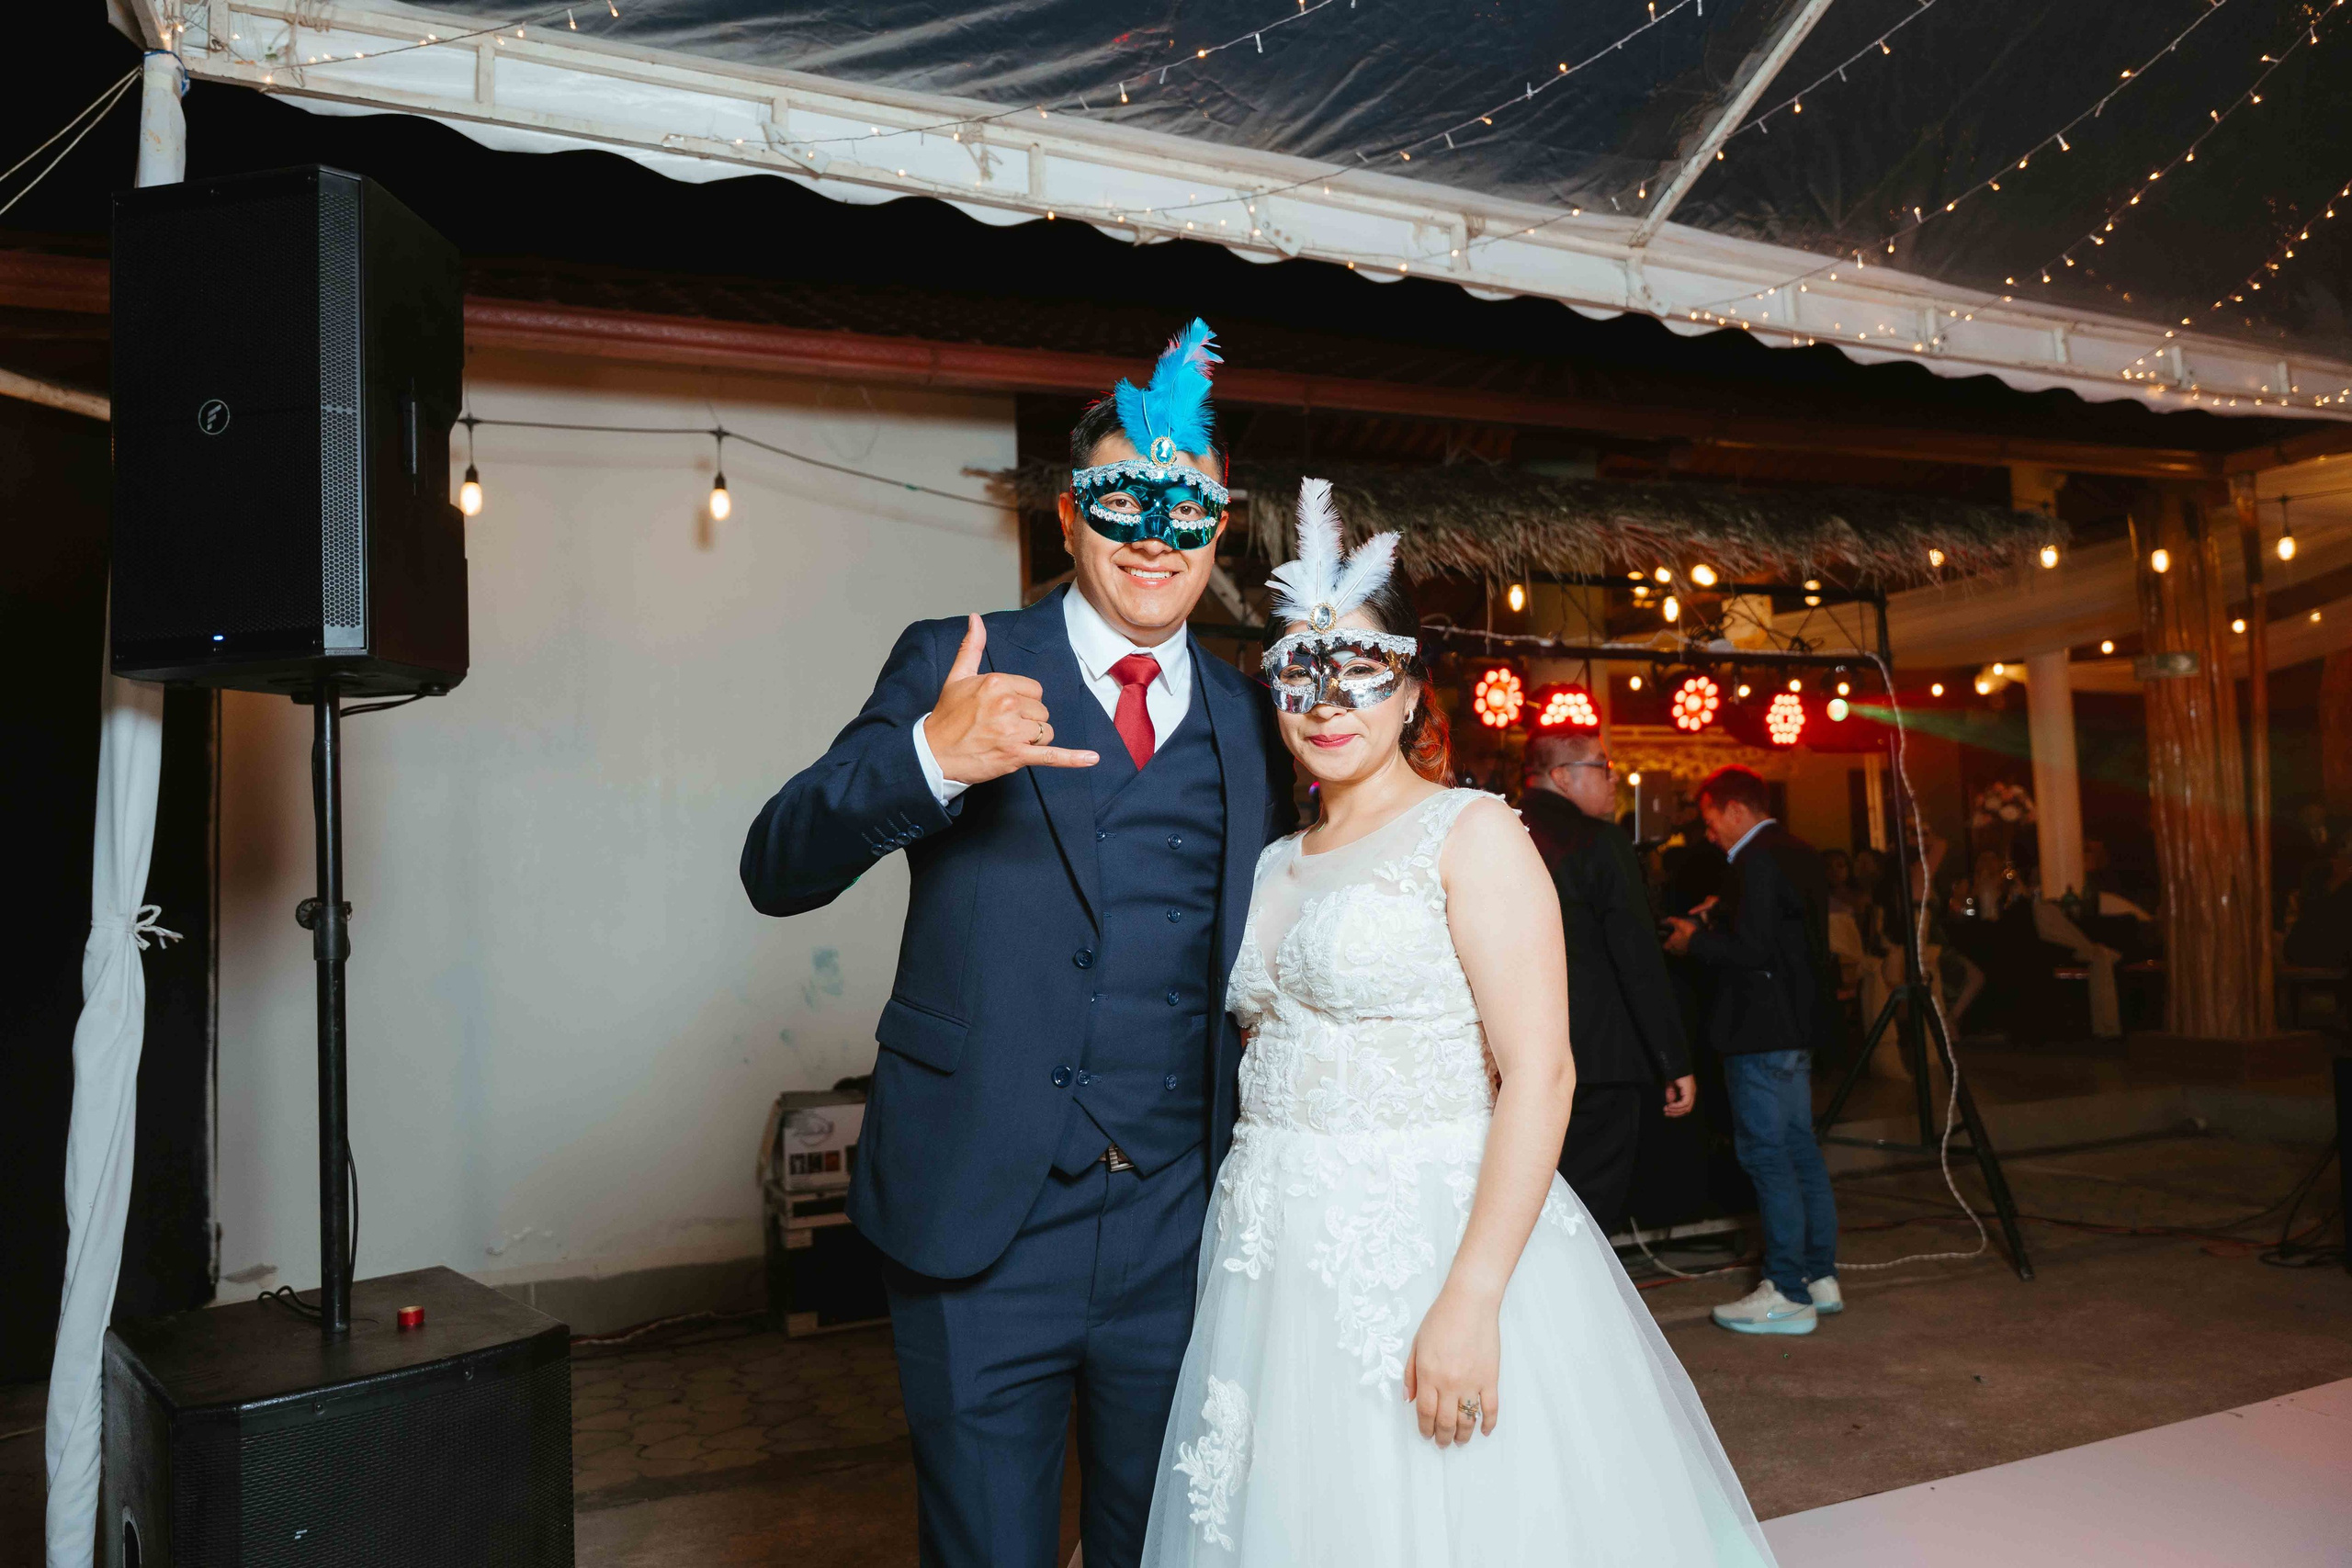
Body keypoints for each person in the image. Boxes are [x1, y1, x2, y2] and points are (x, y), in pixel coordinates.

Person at [741, 321, 1297, 1568]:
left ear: (1220, 524)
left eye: (1185, 504)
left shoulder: (1260, 715)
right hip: (979, 1219)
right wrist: (932, 758)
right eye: (1119, 501)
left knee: (1164, 1545)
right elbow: (774, 863)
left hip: (1180, 1225)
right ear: (1068, 518)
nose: (1153, 533)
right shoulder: (958, 657)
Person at [1139, 485, 1778, 1566]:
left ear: (1406, 695)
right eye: (1299, 673)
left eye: (1358, 675)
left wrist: (1472, 1298)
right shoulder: (1268, 863)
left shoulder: (1472, 832)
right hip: (1272, 1250)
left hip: (1433, 1236)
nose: (1326, 702)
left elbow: (1543, 1074)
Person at [1663, 767, 1840, 1337]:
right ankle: (1819, 1277)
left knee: (1768, 1157)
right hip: (1797, 1026)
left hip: (1759, 1032)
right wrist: (1723, 908)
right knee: (1801, 1151)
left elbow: (1753, 950)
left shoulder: (1753, 859)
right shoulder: (1798, 851)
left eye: (1711, 820)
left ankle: (1786, 1291)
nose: (1709, 833)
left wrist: (1696, 940)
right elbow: (1787, 935)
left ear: (1735, 810)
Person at [1518, 730, 1697, 1236]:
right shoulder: (1598, 840)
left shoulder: (1500, 831)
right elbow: (1635, 957)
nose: (1614, 777)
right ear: (1562, 777)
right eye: (1602, 765)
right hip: (1597, 1058)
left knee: (1530, 1200)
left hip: (1514, 1053)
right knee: (1587, 1212)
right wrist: (1672, 1058)